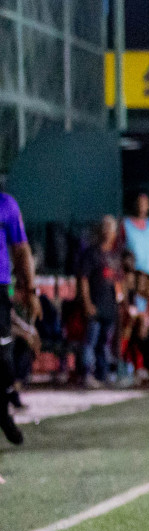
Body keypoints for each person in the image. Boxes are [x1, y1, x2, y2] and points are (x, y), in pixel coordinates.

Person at [0, 189, 38, 444]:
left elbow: (21, 249)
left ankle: (2, 411)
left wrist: (30, 289)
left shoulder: (6, 204)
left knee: (3, 360)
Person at [78, 216, 123, 388]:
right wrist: (87, 302)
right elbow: (83, 279)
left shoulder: (114, 255)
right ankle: (87, 373)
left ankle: (103, 375)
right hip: (95, 304)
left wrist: (120, 302)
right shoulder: (92, 253)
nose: (108, 233)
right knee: (91, 341)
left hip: (109, 307)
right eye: (105, 228)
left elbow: (118, 281)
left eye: (110, 229)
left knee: (105, 343)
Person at [122, 192, 149, 278]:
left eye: (144, 203)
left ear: (148, 206)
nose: (141, 205)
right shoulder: (125, 224)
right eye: (139, 202)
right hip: (132, 274)